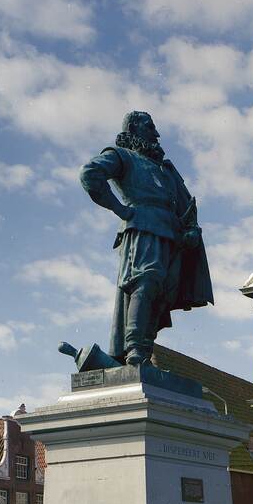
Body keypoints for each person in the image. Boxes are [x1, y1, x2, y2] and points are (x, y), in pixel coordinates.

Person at [79, 111, 213, 366]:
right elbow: (90, 173)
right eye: (150, 126)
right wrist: (121, 210)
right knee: (146, 282)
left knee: (163, 295)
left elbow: (187, 206)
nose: (156, 133)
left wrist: (192, 229)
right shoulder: (122, 156)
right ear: (133, 129)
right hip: (143, 228)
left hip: (173, 237)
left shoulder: (165, 170)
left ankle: (144, 350)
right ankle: (135, 350)